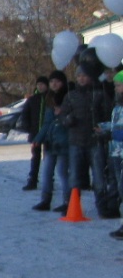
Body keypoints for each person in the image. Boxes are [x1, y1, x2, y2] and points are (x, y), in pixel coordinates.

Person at [56, 65, 111, 216]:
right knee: (74, 175)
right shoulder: (71, 96)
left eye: (84, 76)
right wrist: (68, 120)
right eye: (79, 76)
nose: (81, 78)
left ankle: (102, 206)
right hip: (76, 141)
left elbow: (107, 115)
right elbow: (62, 116)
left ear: (90, 77)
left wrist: (103, 129)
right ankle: (72, 204)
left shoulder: (99, 94)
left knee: (99, 176)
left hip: (95, 142)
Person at [32, 71, 70, 213]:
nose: (54, 84)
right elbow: (47, 122)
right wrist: (38, 138)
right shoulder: (49, 98)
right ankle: (45, 200)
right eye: (52, 81)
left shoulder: (68, 97)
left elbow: (71, 120)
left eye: (57, 81)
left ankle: (68, 201)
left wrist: (62, 114)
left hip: (63, 142)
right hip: (50, 142)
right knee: (47, 172)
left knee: (62, 172)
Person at [21, 75, 50, 190]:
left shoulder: (51, 99)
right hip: (35, 133)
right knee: (35, 157)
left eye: (42, 84)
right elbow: (25, 115)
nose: (40, 86)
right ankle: (33, 180)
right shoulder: (32, 100)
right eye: (38, 84)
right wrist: (28, 128)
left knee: (48, 158)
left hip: (48, 134)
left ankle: (48, 180)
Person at [107, 71, 123, 239]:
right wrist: (104, 129)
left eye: (119, 85)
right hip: (117, 152)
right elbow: (115, 126)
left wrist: (116, 134)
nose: (117, 88)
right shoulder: (117, 107)